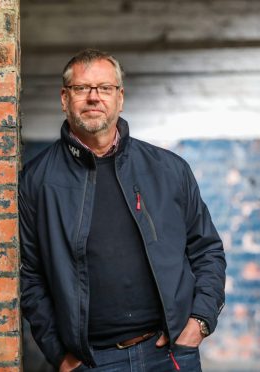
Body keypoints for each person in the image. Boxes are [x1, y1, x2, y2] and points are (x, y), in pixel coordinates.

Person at [19, 49, 226, 372]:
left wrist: (199, 321)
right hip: (91, 361)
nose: (93, 97)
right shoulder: (36, 181)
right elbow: (29, 275)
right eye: (81, 88)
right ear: (64, 98)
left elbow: (207, 249)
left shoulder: (169, 170)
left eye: (104, 88)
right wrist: (59, 353)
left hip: (169, 351)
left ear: (120, 97)